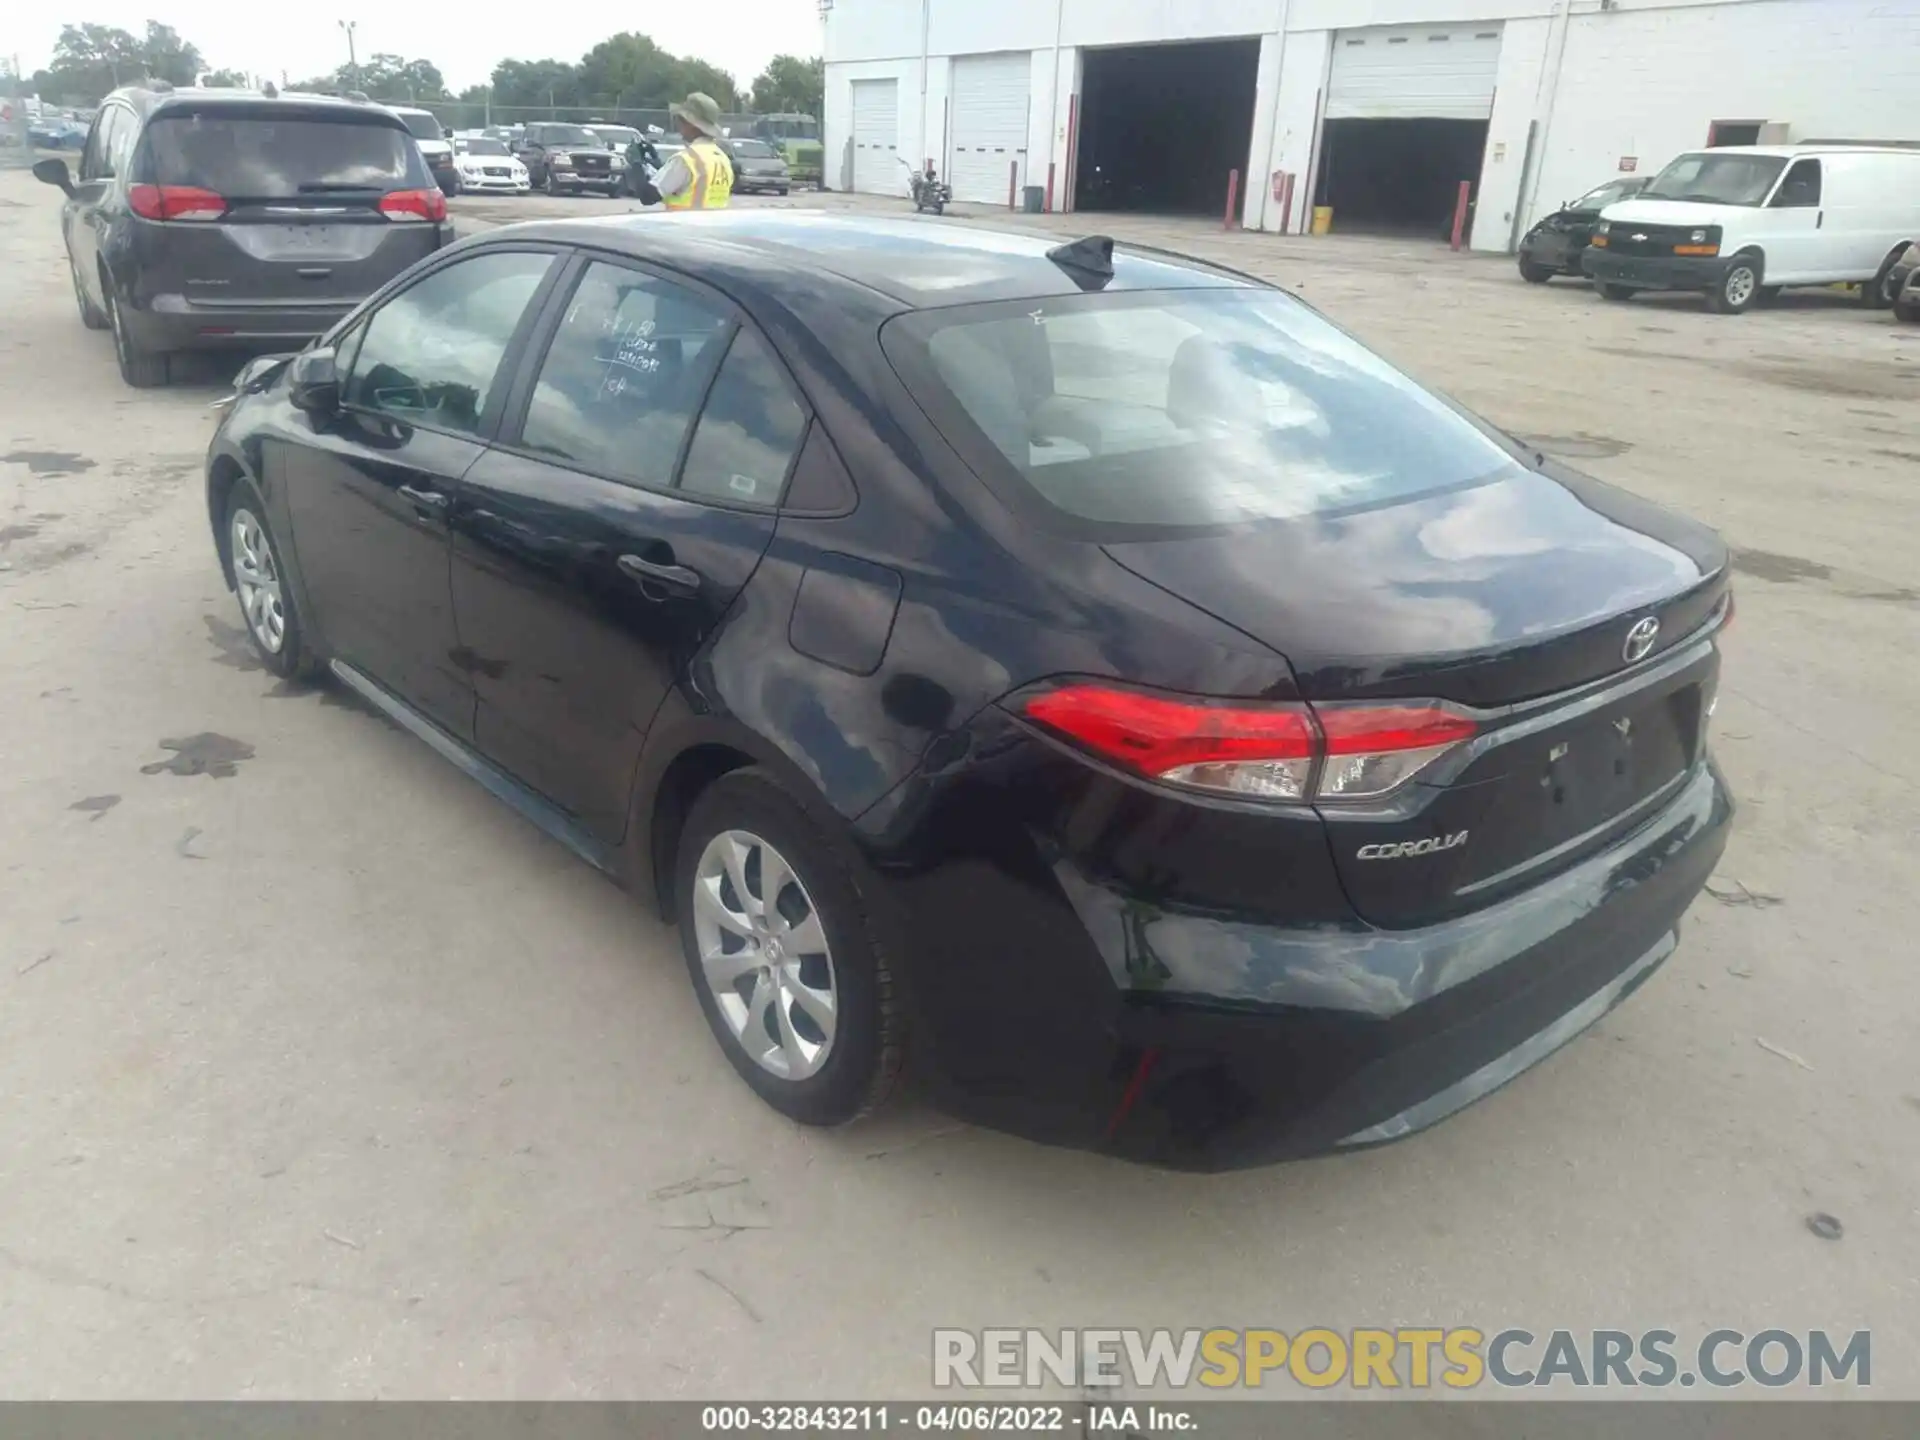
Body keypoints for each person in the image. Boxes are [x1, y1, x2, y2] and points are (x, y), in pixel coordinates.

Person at [650, 92, 734, 211]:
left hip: (684, 227)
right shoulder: (722, 158)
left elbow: (650, 196)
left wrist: (636, 171)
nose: (678, 125)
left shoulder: (686, 159)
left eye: (680, 120)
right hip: (714, 228)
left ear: (690, 124)